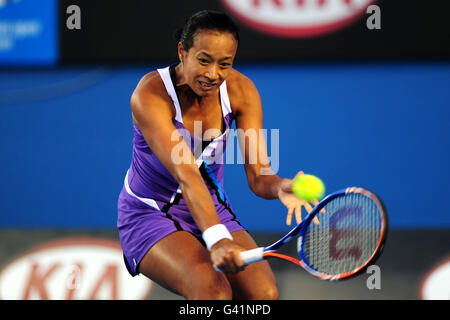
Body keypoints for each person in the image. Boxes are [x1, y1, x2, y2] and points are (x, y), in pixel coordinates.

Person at [117, 10, 317, 300]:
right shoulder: (150, 95)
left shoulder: (241, 91)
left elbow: (259, 175)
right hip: (149, 212)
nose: (213, 74)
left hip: (211, 208)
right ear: (182, 51)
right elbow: (186, 173)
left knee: (265, 294)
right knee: (213, 294)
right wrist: (217, 238)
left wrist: (279, 186)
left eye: (225, 64)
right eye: (204, 60)